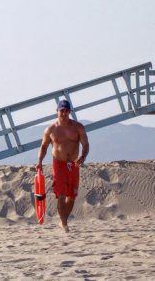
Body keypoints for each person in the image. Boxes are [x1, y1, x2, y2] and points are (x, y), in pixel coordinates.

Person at [36, 99, 89, 233]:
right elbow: (43, 146)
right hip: (58, 163)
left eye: (66, 111)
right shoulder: (51, 129)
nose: (64, 113)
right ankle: (64, 224)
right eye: (61, 111)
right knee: (61, 194)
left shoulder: (78, 127)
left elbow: (85, 144)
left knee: (71, 196)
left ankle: (62, 220)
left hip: (74, 163)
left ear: (70, 112)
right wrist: (39, 162)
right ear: (57, 112)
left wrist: (83, 156)